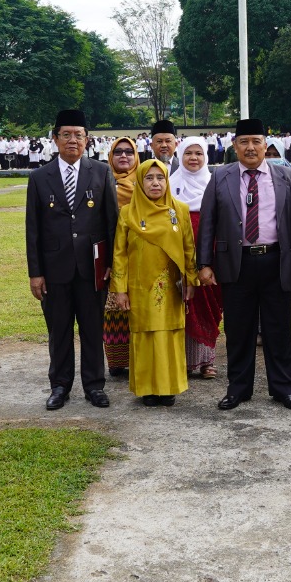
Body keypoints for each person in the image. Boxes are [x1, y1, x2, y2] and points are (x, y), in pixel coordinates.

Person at [198, 118, 291, 411]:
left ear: (266, 145)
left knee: (279, 329)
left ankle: (284, 388)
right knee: (238, 330)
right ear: (235, 146)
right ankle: (238, 389)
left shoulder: (285, 176)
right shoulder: (220, 177)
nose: (250, 147)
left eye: (256, 142)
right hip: (236, 264)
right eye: (244, 142)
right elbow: (208, 223)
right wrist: (204, 263)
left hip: (276, 261)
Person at [26, 110, 119, 410]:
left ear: (87, 140)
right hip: (55, 269)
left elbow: (111, 224)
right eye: (66, 134)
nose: (72, 140)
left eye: (78, 135)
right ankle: (60, 385)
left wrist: (112, 267)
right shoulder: (39, 178)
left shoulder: (101, 172)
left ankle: (94, 386)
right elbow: (33, 230)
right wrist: (35, 273)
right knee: (59, 331)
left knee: (93, 329)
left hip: (92, 269)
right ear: (55, 139)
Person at [111, 160, 198, 406]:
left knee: (169, 335)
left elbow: (188, 248)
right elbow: (119, 254)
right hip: (139, 289)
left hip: (171, 287)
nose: (155, 183)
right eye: (149, 178)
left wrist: (191, 281)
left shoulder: (179, 210)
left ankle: (168, 387)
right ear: (140, 182)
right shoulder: (128, 213)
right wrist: (120, 289)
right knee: (144, 335)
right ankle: (148, 388)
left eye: (160, 178)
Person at [170, 137, 222, 379]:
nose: (193, 158)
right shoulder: (170, 184)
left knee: (207, 305)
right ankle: (182, 361)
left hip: (209, 254)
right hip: (178, 252)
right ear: (180, 155)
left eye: (198, 153)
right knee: (184, 305)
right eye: (188, 153)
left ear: (206, 157)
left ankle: (206, 362)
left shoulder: (215, 183)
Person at [102, 137, 139, 378]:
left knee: (139, 309)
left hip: (138, 254)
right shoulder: (100, 181)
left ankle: (140, 358)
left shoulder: (145, 181)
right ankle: (117, 361)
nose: (123, 156)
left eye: (129, 152)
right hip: (110, 255)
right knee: (113, 308)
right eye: (118, 152)